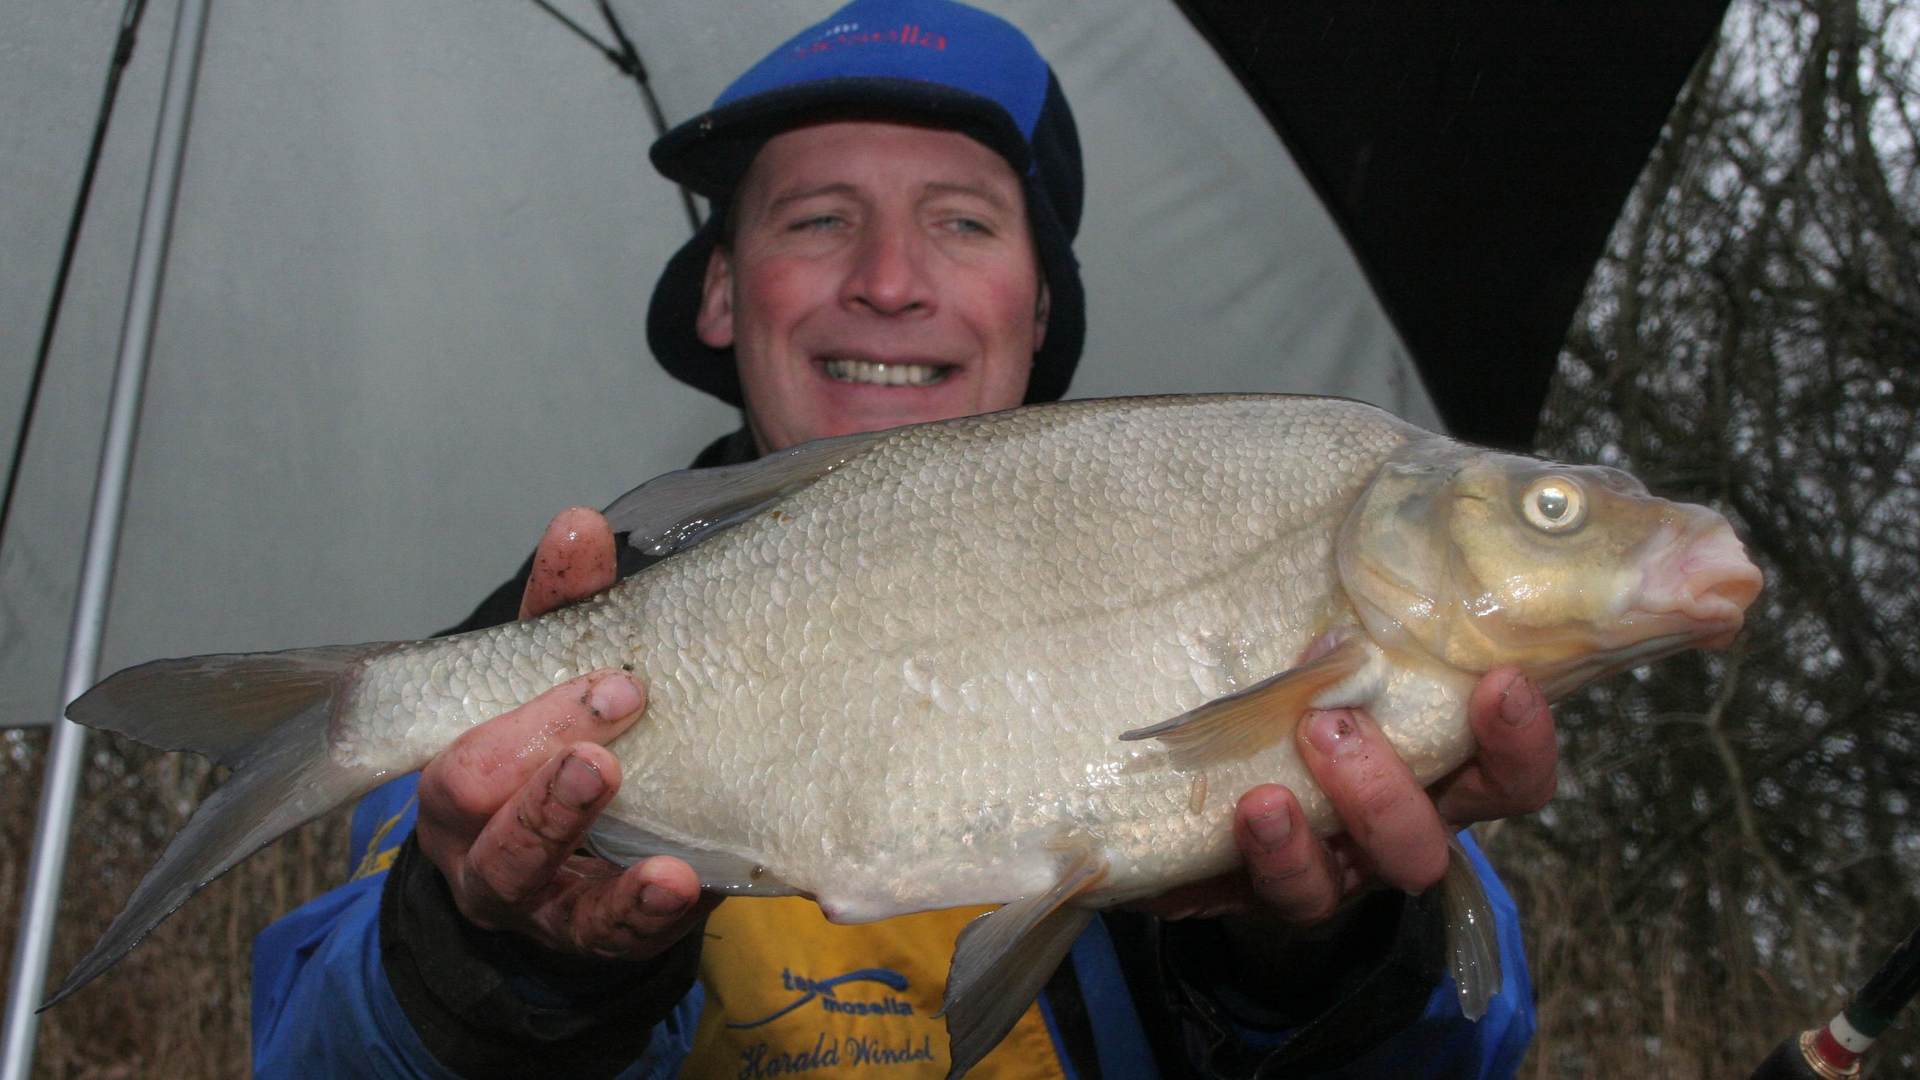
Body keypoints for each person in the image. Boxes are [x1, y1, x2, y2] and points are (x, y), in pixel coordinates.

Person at [251, 2, 1552, 1075]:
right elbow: (311, 1052)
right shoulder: (532, 655)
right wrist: (495, 974)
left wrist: (1313, 966)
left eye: (964, 221)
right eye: (817, 218)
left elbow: (1475, 1045)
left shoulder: (1246, 579)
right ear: (720, 292)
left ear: (1040, 307)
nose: (886, 278)